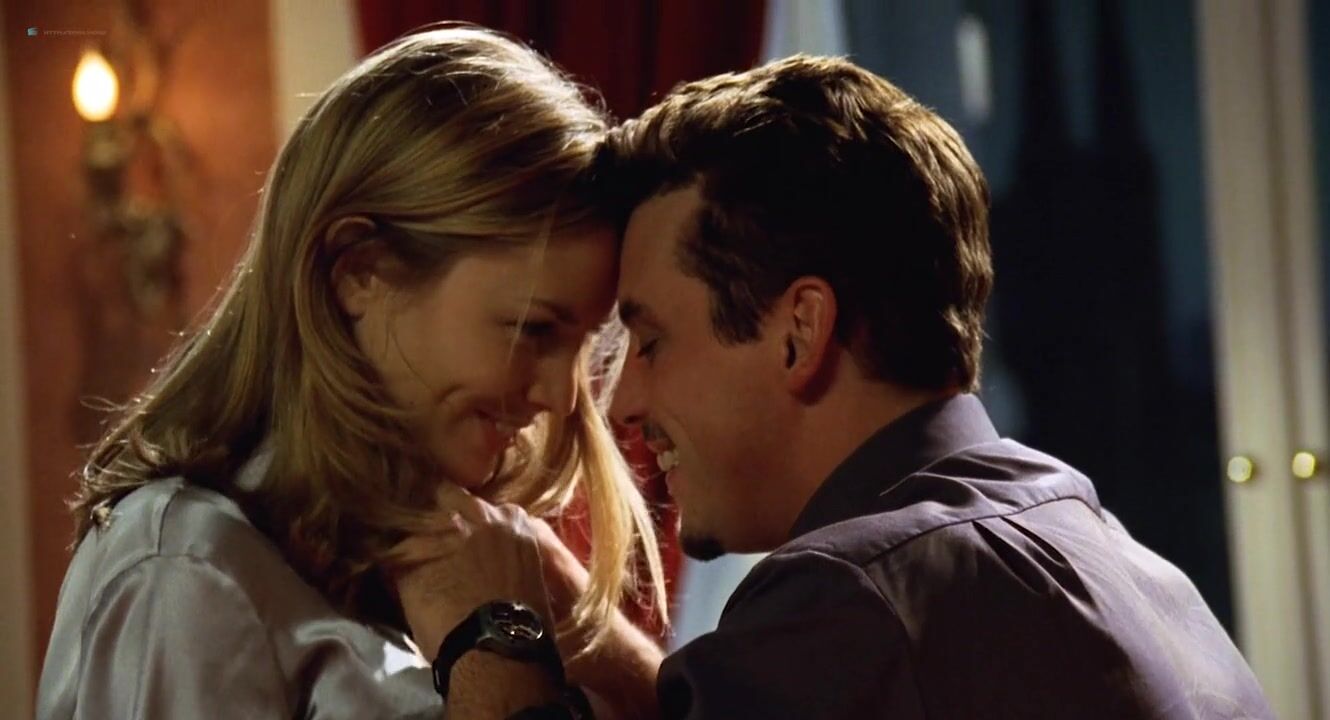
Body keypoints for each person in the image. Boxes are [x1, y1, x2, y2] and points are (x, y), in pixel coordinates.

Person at [423, 55, 1276, 718]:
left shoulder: (853, 598)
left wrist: (496, 627)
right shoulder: (1096, 544)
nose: (621, 403)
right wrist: (578, 614)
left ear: (800, 331)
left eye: (650, 341)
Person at [36, 25, 668, 719]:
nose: (561, 397)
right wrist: (499, 638)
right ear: (358, 270)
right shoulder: (189, 569)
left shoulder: (455, 567)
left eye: (581, 344)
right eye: (533, 330)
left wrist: (578, 625)